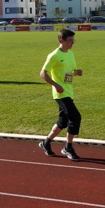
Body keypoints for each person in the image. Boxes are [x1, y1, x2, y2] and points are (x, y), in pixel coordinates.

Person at [38, 29, 83, 161]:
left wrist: (76, 72)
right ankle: (68, 147)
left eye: (73, 40)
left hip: (69, 91)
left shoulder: (70, 54)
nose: (72, 43)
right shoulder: (54, 55)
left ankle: (46, 143)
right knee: (75, 117)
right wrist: (56, 85)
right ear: (61, 40)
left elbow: (69, 73)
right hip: (60, 94)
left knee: (62, 122)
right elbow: (43, 73)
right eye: (70, 40)